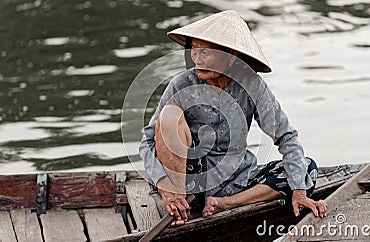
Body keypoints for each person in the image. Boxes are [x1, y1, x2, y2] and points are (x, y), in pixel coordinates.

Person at [140, 10, 327, 226]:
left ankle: (224, 203)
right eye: (194, 51)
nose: (197, 60)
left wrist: (299, 192)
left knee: (308, 169)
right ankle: (181, 203)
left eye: (205, 54)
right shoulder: (182, 84)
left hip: (236, 179)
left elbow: (286, 137)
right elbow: (148, 140)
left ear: (230, 55)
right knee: (169, 116)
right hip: (189, 179)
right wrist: (167, 189)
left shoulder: (252, 86)